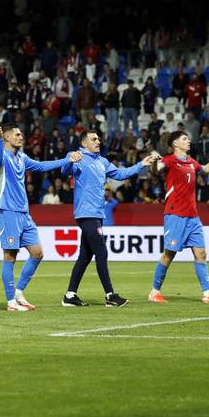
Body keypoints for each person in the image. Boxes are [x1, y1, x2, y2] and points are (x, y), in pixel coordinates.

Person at [61, 131, 161, 307]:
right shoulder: (77, 157)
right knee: (101, 252)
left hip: (97, 214)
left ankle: (70, 296)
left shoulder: (102, 161)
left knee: (85, 255)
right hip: (86, 213)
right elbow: (65, 170)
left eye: (99, 138)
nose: (98, 141)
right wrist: (70, 161)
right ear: (84, 143)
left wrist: (141, 164)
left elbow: (121, 175)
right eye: (94, 139)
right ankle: (110, 295)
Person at [0, 124, 81, 311]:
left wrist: (67, 160)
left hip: (24, 213)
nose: (21, 136)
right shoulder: (2, 158)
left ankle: (18, 293)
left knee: (37, 253)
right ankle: (10, 302)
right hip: (8, 212)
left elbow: (41, 166)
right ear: (7, 138)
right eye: (17, 134)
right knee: (10, 255)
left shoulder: (22, 157)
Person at [148, 131, 209, 304]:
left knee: (201, 254)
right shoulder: (169, 160)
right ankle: (154, 292)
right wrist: (154, 162)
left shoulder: (191, 162)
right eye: (184, 139)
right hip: (175, 215)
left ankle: (208, 293)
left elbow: (207, 169)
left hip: (193, 216)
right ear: (175, 144)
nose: (189, 141)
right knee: (168, 254)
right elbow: (156, 170)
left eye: (188, 138)